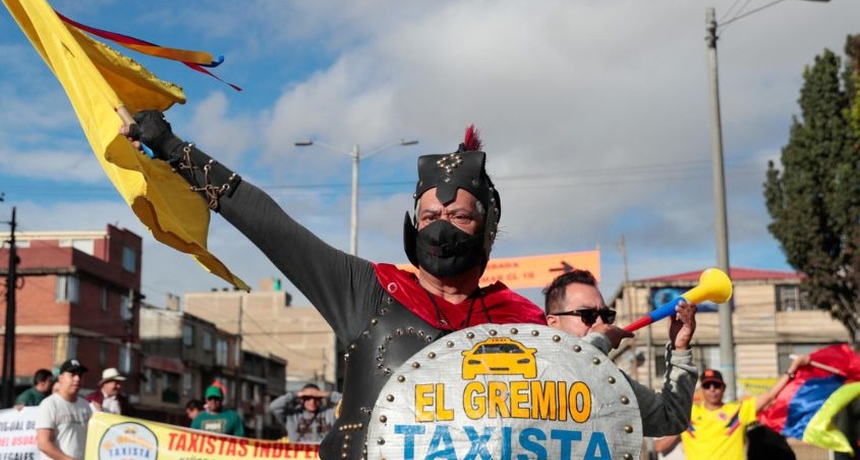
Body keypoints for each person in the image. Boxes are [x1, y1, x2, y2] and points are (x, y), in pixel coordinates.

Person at [124, 111, 546, 458]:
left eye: (459, 218)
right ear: (413, 227)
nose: (441, 228)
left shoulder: (523, 326)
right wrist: (171, 148)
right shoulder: (368, 292)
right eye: (430, 217)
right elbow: (268, 225)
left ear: (486, 230)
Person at [543, 269, 698, 437]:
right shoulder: (531, 370)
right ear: (553, 323)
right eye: (587, 315)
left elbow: (671, 418)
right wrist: (600, 339)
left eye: (605, 315)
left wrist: (679, 349)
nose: (600, 322)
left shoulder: (612, 380)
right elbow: (566, 372)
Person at [654, 354, 811, 460]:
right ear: (701, 389)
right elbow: (661, 446)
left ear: (723, 388)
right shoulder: (688, 413)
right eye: (707, 385)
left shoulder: (737, 411)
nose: (712, 389)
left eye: (716, 385)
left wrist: (794, 367)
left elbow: (770, 395)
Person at [36, 359, 91, 460]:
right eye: (72, 374)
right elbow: (43, 443)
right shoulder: (49, 404)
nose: (77, 378)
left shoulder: (85, 405)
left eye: (80, 375)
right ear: (60, 378)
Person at [269, 384, 342, 444]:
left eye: (316, 398)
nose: (312, 401)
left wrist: (327, 394)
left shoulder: (330, 413)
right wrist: (295, 394)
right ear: (301, 399)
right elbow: (274, 406)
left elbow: (347, 403)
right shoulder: (292, 415)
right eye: (308, 398)